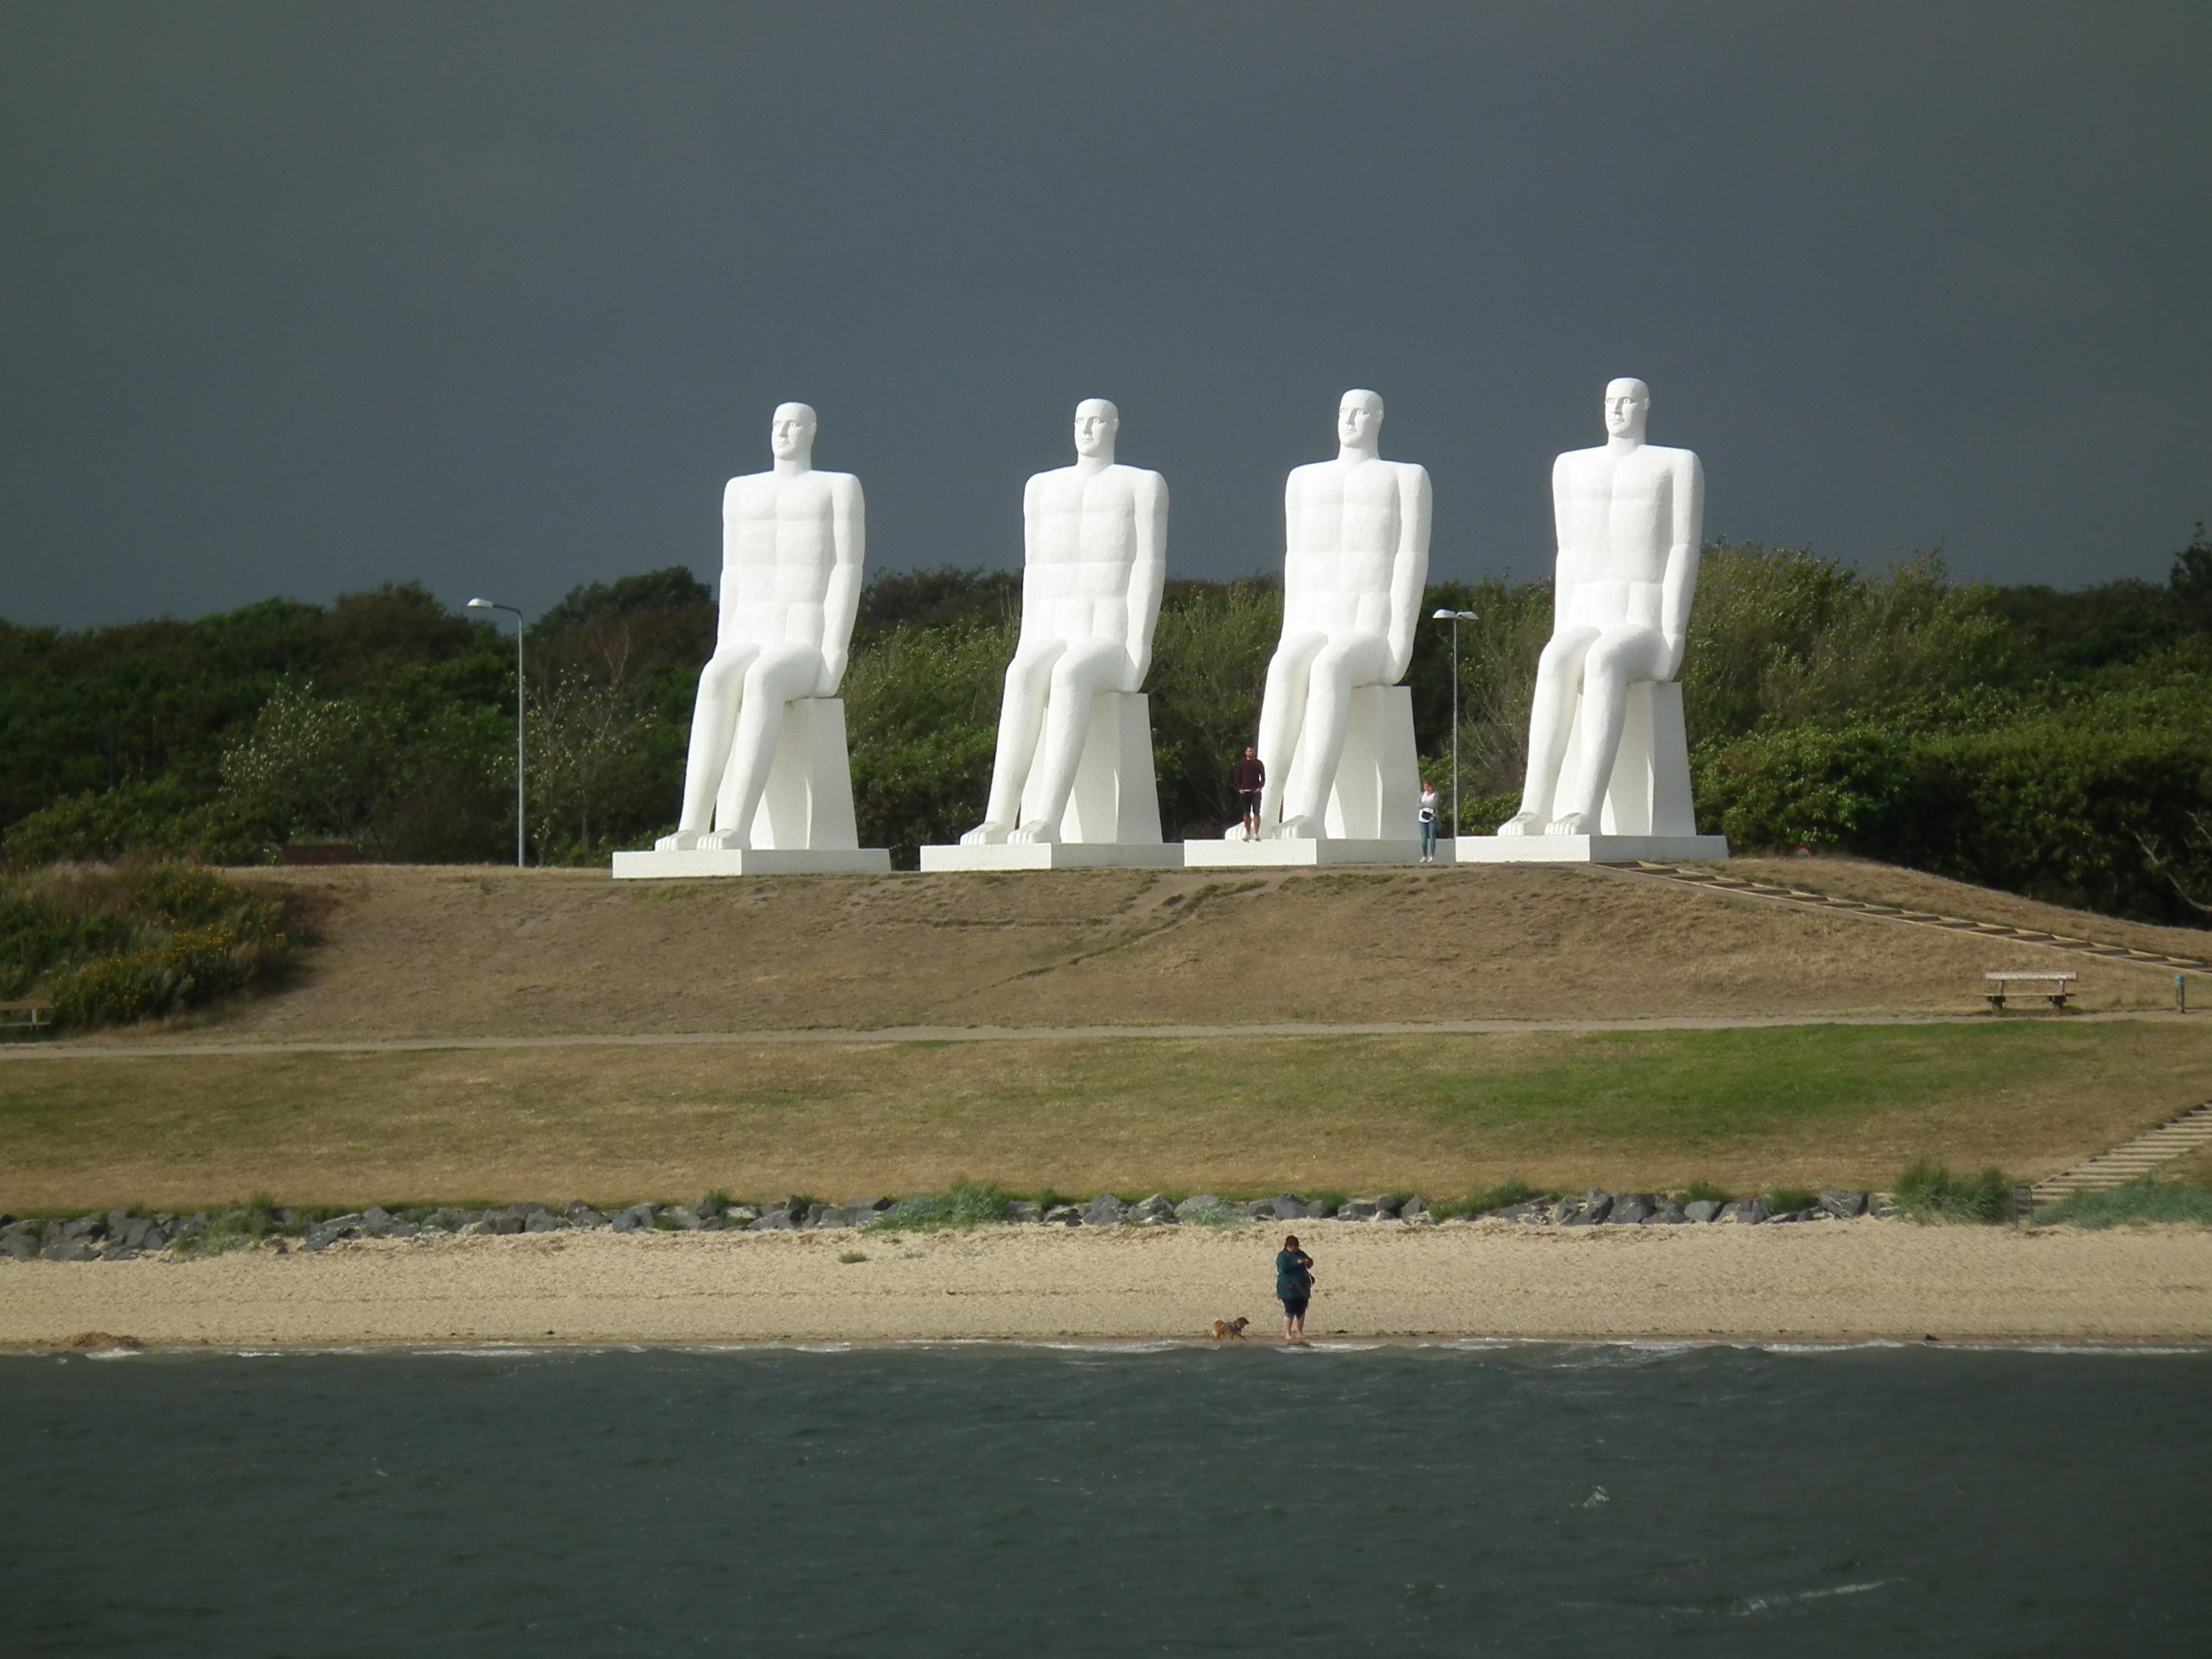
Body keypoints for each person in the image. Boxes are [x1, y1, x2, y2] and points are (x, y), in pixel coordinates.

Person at [959, 398, 1168, 846]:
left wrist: (1139, 645)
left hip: (1107, 635)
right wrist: (1025, 641)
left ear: (1114, 426)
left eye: (1096, 421)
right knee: (1021, 674)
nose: (1087, 429)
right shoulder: (1041, 488)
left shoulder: (1141, 485)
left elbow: (1148, 565)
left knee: (1071, 673)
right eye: (1080, 421)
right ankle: (999, 817)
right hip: (1053, 629)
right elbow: (1035, 572)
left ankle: (1048, 817)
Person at [1253, 390, 1432, 839]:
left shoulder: (1405, 478)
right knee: (1285, 666)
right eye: (1344, 412)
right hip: (1314, 622)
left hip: (1368, 629)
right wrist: (1288, 634)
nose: (1350, 420)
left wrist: (1400, 642)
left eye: (1361, 413)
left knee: (1331, 666)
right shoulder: (1303, 481)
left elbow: (1411, 559)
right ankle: (1260, 811)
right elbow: (1296, 563)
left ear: (1379, 418)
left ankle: (1309, 811)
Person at [1276, 1233, 1315, 1342]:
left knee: (1301, 1310)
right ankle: (1288, 1333)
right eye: (1292, 1247)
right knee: (1290, 1310)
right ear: (1288, 1246)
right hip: (1288, 1289)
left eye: (1296, 1247)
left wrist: (1308, 1262)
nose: (1294, 1249)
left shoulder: (1300, 1253)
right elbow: (1282, 1269)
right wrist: (1296, 1263)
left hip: (1302, 1288)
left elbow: (1310, 1264)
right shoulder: (1283, 1256)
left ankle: (1300, 1332)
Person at [1234, 746, 1265, 840]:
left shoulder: (1258, 764)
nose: (1251, 753)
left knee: (1257, 812)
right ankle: (1248, 833)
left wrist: (1260, 787)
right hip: (1245, 792)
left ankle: (1256, 833)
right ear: (1246, 752)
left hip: (1255, 791)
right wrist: (1239, 789)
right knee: (1246, 813)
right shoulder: (1241, 764)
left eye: (1252, 751)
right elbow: (1237, 777)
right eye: (1249, 751)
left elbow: (1263, 777)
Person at [1418, 778, 1439, 862]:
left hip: (1432, 818)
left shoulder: (1435, 794)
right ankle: (1424, 856)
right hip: (1422, 818)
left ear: (1431, 787)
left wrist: (1425, 805)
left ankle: (1432, 855)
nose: (1426, 788)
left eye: (1427, 786)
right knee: (1424, 839)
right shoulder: (1422, 795)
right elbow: (1419, 805)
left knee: (1432, 837)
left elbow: (1434, 804)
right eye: (1425, 787)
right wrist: (1427, 805)